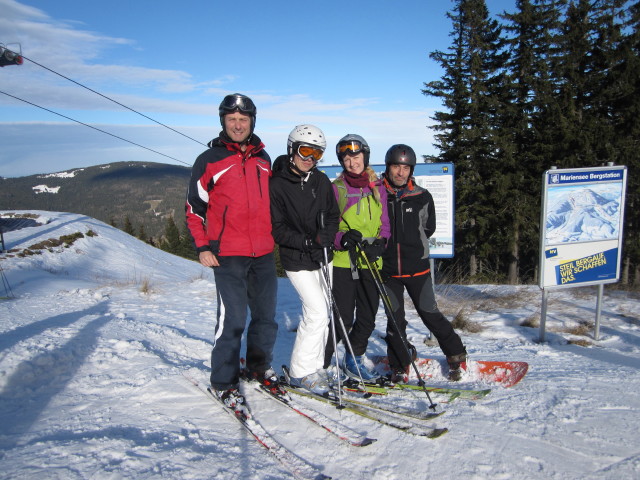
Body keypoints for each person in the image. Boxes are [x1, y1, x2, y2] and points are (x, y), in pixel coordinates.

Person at [185, 93, 280, 408]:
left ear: (252, 122)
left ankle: (257, 366)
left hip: (263, 252)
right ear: (223, 122)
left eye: (243, 119)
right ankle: (224, 381)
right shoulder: (209, 160)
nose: (238, 125)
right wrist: (201, 246)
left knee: (266, 318)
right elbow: (194, 208)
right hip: (228, 254)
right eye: (232, 120)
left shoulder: (264, 159)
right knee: (233, 319)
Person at [380, 144, 467, 381]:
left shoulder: (421, 196)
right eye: (396, 166)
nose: (400, 172)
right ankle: (400, 364)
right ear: (388, 167)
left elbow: (428, 228)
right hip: (387, 271)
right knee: (395, 322)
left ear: (411, 170)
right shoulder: (377, 194)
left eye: (405, 167)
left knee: (430, 314)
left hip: (417, 269)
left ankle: (456, 355)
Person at [270, 125, 340, 395]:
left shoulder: (320, 181)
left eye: (317, 153)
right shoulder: (276, 184)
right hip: (296, 258)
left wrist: (327, 236)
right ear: (292, 149)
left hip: (323, 256)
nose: (310, 158)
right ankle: (300, 372)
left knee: (326, 312)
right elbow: (278, 229)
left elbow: (332, 215)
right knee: (316, 312)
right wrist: (309, 241)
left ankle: (316, 366)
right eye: (305, 150)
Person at [324, 134, 391, 381]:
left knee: (367, 316)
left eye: (356, 156)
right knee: (342, 317)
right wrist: (342, 238)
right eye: (347, 158)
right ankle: (321, 361)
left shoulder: (378, 187)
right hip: (345, 261)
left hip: (372, 260)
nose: (352, 162)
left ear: (365, 156)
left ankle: (354, 359)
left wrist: (381, 244)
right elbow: (329, 228)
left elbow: (385, 224)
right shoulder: (337, 189)